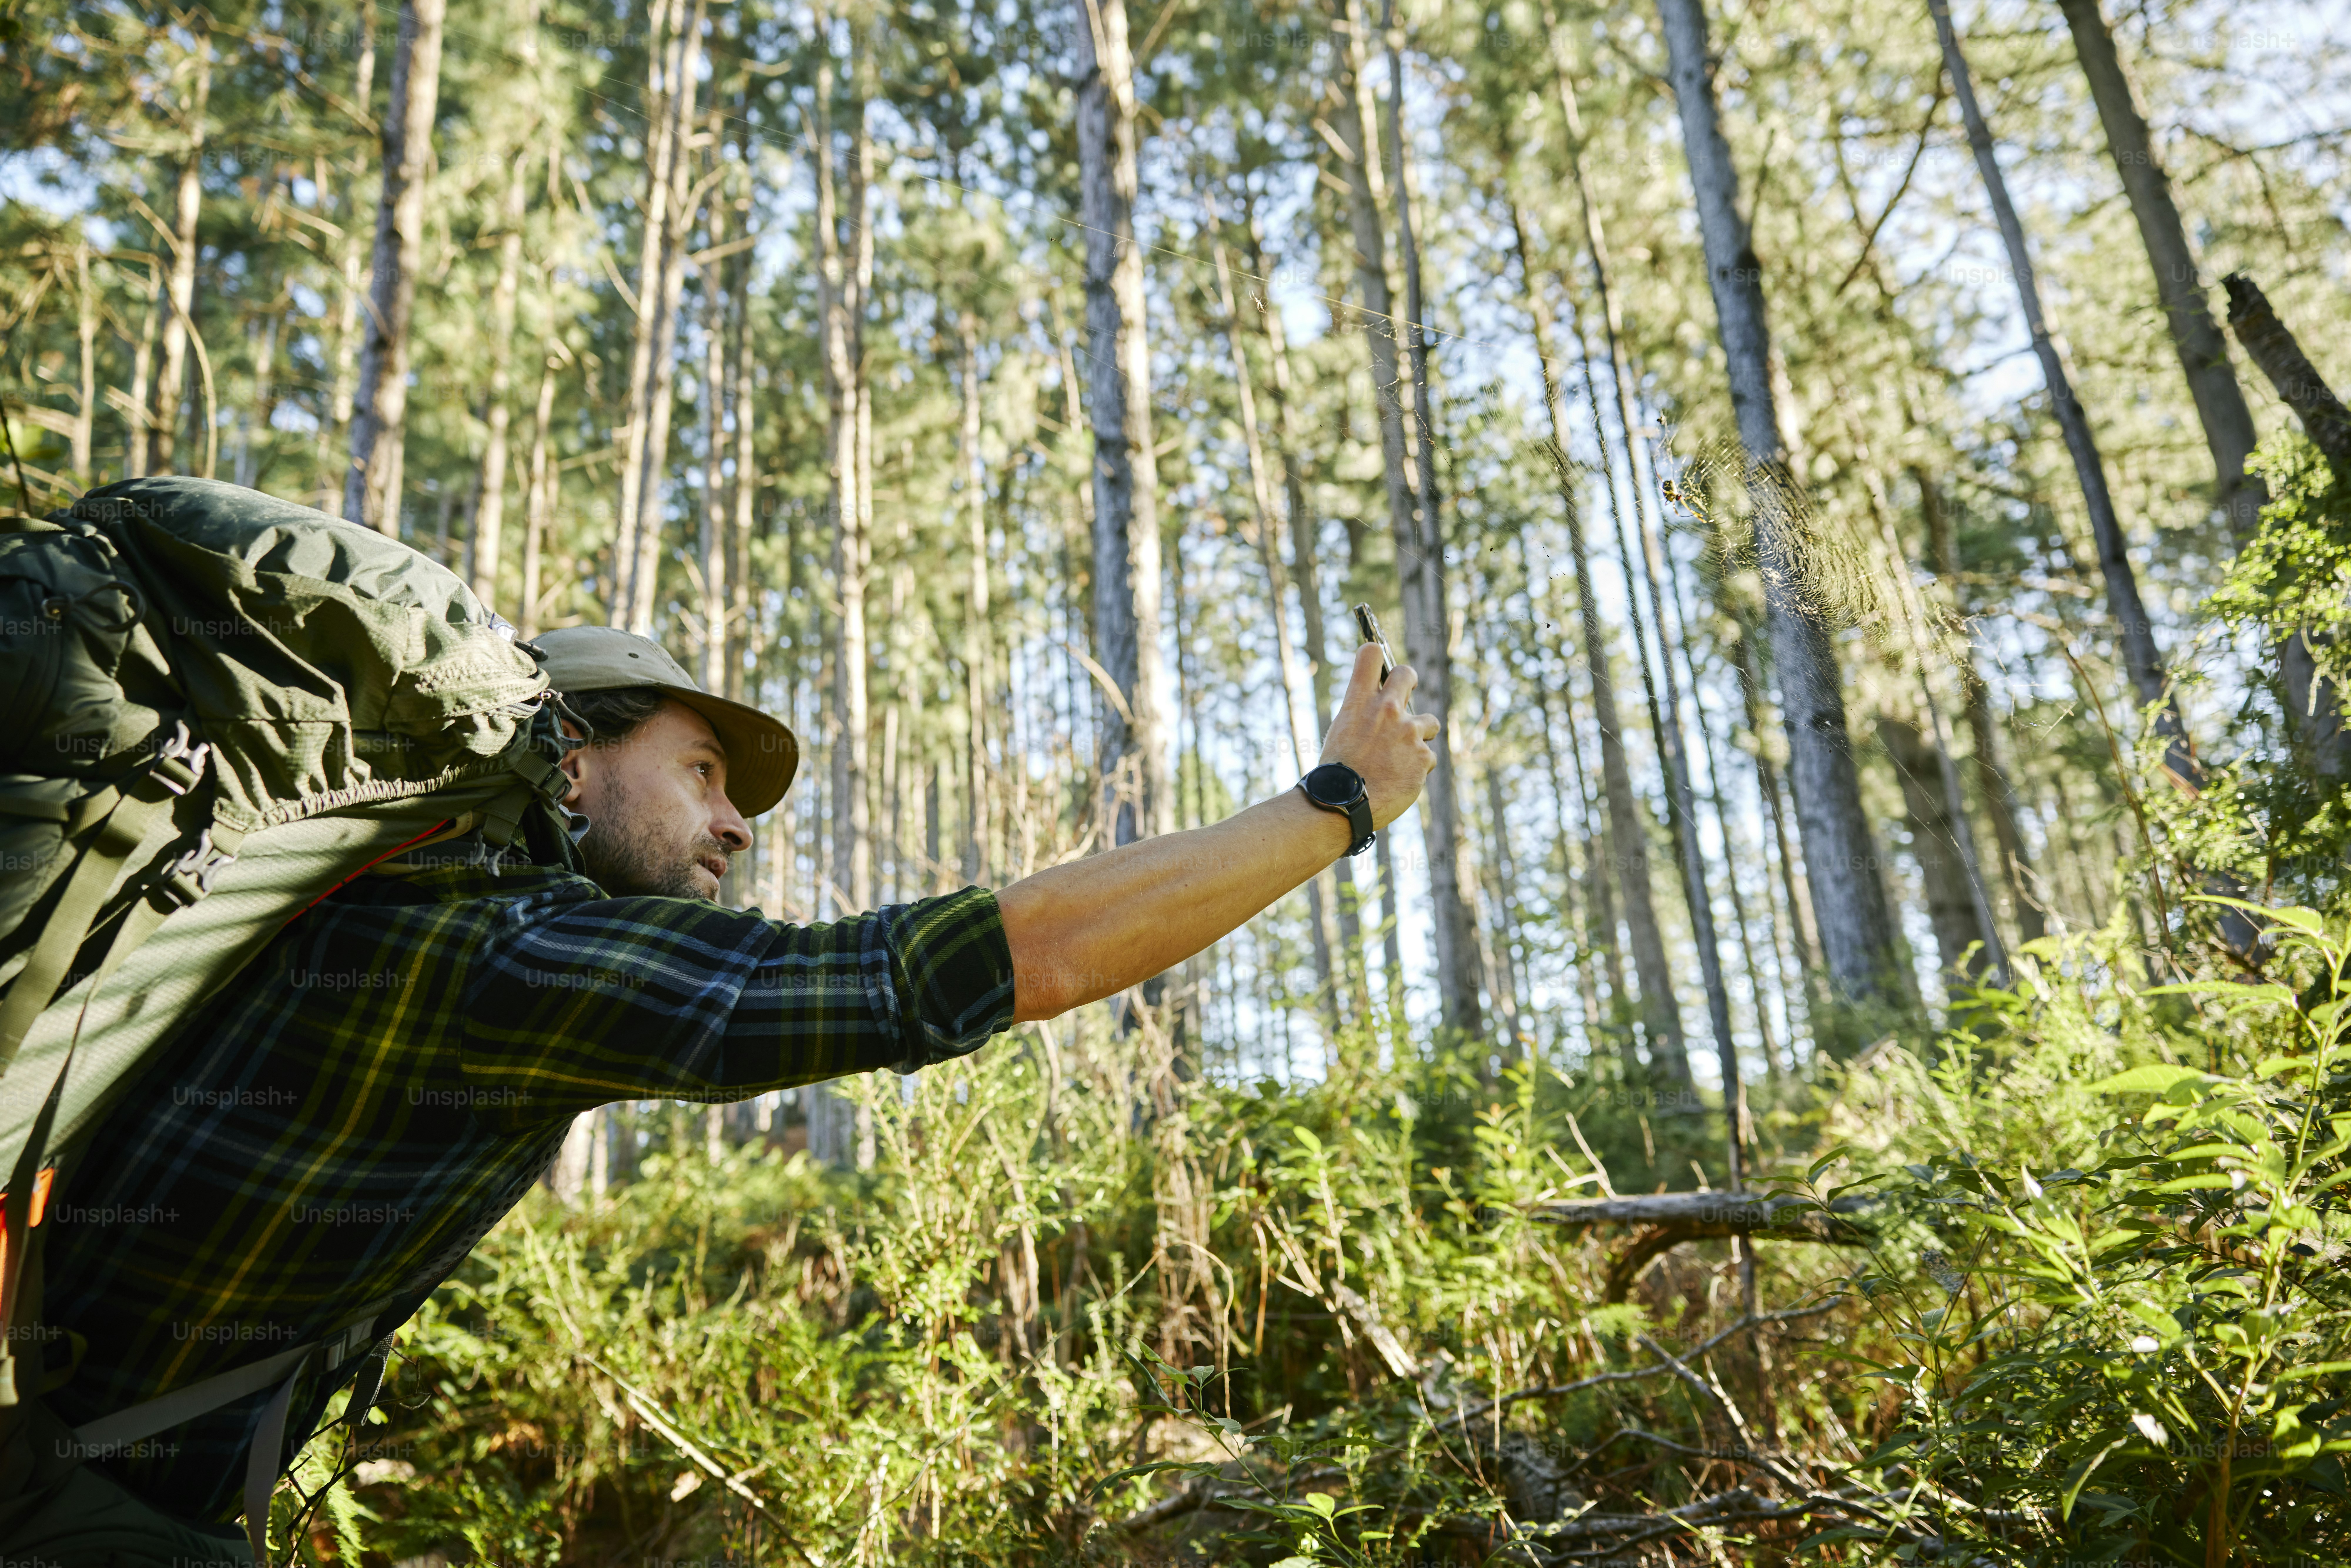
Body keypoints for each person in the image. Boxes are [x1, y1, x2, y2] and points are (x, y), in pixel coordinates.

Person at [0, 624, 1439, 1562]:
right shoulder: (494, 950)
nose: (739, 822)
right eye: (698, 770)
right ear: (567, 768)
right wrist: (1329, 805)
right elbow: (998, 960)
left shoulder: (380, 913)